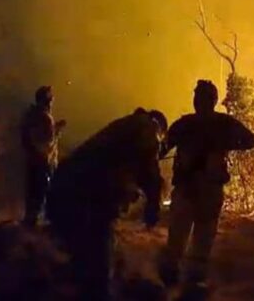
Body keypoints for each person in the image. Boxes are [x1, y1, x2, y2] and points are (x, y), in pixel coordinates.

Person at [46, 108, 166, 300]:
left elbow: (120, 165)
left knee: (82, 260)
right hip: (86, 197)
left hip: (62, 189)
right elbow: (149, 171)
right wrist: (153, 204)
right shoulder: (147, 127)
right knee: (98, 263)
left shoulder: (121, 129)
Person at [158, 80, 254, 294]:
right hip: (195, 190)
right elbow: (162, 149)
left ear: (209, 100)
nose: (198, 101)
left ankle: (184, 285)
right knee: (185, 239)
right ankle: (179, 283)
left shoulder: (201, 124)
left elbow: (250, 140)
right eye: (197, 96)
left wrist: (224, 145)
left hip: (202, 190)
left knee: (194, 239)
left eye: (201, 96)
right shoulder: (201, 124)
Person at [20, 85, 66, 227]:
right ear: (46, 100)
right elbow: (46, 142)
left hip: (32, 161)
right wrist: (57, 130)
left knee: (33, 194)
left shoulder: (30, 114)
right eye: (51, 99)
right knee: (42, 193)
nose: (52, 101)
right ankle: (34, 227)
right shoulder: (44, 117)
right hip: (43, 163)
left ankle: (30, 224)